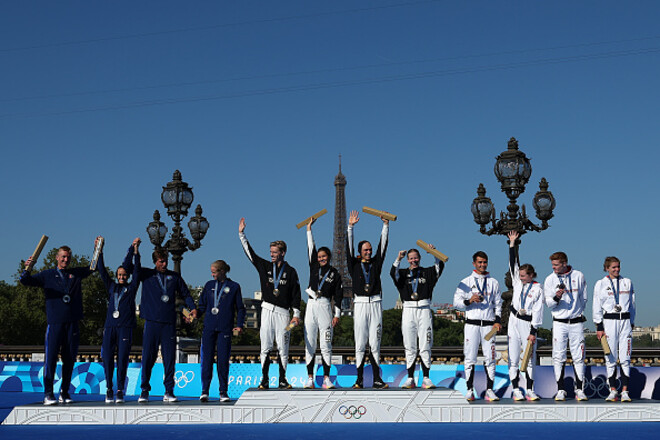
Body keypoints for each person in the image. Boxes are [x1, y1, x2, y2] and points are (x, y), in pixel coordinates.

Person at [20, 240, 97, 405]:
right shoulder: (47, 275)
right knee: (51, 358)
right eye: (63, 257)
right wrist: (27, 268)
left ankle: (65, 392)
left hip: (73, 323)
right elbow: (25, 281)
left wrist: (98, 247)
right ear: (57, 257)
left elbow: (93, 267)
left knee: (69, 359)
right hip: (55, 323)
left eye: (68, 257)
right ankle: (48, 393)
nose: (65, 260)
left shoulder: (75, 273)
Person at [122, 238, 198, 403]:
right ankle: (144, 390)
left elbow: (185, 294)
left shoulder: (174, 277)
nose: (164, 264)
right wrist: (133, 248)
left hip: (169, 323)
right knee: (148, 357)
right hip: (151, 321)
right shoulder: (146, 274)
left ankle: (169, 391)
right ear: (155, 262)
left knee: (169, 358)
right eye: (161, 262)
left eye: (166, 261)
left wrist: (191, 308)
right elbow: (127, 267)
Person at [238, 218, 301, 389]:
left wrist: (296, 315)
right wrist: (242, 234)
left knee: (283, 345)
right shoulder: (264, 266)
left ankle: (282, 379)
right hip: (266, 310)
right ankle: (264, 379)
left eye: (274, 252)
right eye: (271, 251)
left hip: (283, 314)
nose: (271, 254)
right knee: (265, 345)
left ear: (283, 253)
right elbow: (250, 254)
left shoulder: (291, 271)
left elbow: (296, 294)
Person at [346, 210, 389, 389]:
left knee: (375, 343)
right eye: (366, 250)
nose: (369, 252)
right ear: (359, 252)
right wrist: (350, 228)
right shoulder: (353, 265)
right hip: (361, 304)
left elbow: (383, 247)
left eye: (370, 250)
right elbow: (348, 248)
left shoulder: (376, 264)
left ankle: (377, 378)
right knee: (360, 342)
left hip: (376, 303)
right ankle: (359, 379)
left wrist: (385, 225)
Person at [390, 246, 444, 389]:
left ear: (419, 258)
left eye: (416, 257)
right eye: (411, 258)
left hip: (424, 309)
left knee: (426, 344)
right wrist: (398, 259)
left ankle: (426, 377)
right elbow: (392, 273)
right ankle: (410, 378)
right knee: (409, 345)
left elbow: (439, 267)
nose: (414, 260)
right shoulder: (402, 274)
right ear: (408, 260)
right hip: (408, 310)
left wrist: (434, 253)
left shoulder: (427, 272)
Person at [97, 237, 141, 404]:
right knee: (107, 358)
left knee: (122, 359)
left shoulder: (131, 288)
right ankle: (109, 389)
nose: (122, 277)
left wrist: (136, 252)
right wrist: (99, 250)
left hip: (125, 327)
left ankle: (120, 390)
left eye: (124, 275)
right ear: (116, 276)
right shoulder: (112, 287)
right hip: (110, 327)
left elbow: (137, 271)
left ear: (127, 276)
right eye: (119, 275)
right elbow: (101, 271)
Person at [453, 251, 502, 401]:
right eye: (479, 262)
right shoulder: (465, 282)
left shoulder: (494, 282)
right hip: (472, 324)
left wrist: (498, 320)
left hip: (488, 325)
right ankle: (469, 389)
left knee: (491, 357)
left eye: (484, 262)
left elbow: (498, 304)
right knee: (470, 357)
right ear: (474, 263)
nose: (482, 265)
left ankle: (489, 390)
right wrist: (469, 300)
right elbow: (456, 303)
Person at [302, 218, 343, 389]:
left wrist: (337, 314)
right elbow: (310, 248)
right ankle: (310, 378)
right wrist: (309, 230)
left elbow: (339, 295)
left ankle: (326, 377)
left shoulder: (335, 273)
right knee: (309, 342)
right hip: (311, 304)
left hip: (325, 306)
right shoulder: (313, 267)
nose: (321, 259)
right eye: (319, 257)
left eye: (324, 256)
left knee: (326, 344)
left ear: (329, 257)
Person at [197, 260, 246, 402]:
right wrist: (194, 315)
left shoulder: (234, 286)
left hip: (225, 328)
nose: (212, 275)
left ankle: (223, 391)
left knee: (223, 360)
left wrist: (239, 325)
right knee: (206, 359)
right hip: (209, 327)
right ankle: (204, 390)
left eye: (215, 272)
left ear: (223, 271)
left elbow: (240, 308)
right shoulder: (208, 285)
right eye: (211, 272)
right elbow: (202, 306)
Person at [544, 251, 588, 401]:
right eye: (552, 265)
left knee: (579, 356)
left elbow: (584, 298)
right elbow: (548, 303)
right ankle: (560, 389)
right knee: (558, 356)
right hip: (559, 323)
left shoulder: (578, 276)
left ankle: (580, 389)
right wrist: (557, 297)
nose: (554, 268)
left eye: (556, 265)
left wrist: (577, 312)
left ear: (564, 263)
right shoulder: (550, 279)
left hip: (576, 322)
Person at [506, 231, 543, 401]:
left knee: (528, 358)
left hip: (527, 323)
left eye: (523, 276)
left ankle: (530, 389)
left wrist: (533, 331)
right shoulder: (516, 281)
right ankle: (515, 389)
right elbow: (513, 262)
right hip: (513, 320)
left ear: (531, 275)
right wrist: (512, 244)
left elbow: (538, 311)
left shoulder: (537, 289)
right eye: (519, 275)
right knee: (513, 356)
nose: (520, 278)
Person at [593, 256, 635, 402]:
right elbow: (596, 305)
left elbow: (632, 304)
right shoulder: (600, 284)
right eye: (613, 267)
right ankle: (612, 390)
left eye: (618, 267)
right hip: (609, 322)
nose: (616, 270)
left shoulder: (627, 282)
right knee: (610, 357)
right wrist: (599, 326)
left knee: (626, 358)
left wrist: (632, 322)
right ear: (606, 268)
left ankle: (625, 391)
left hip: (625, 321)